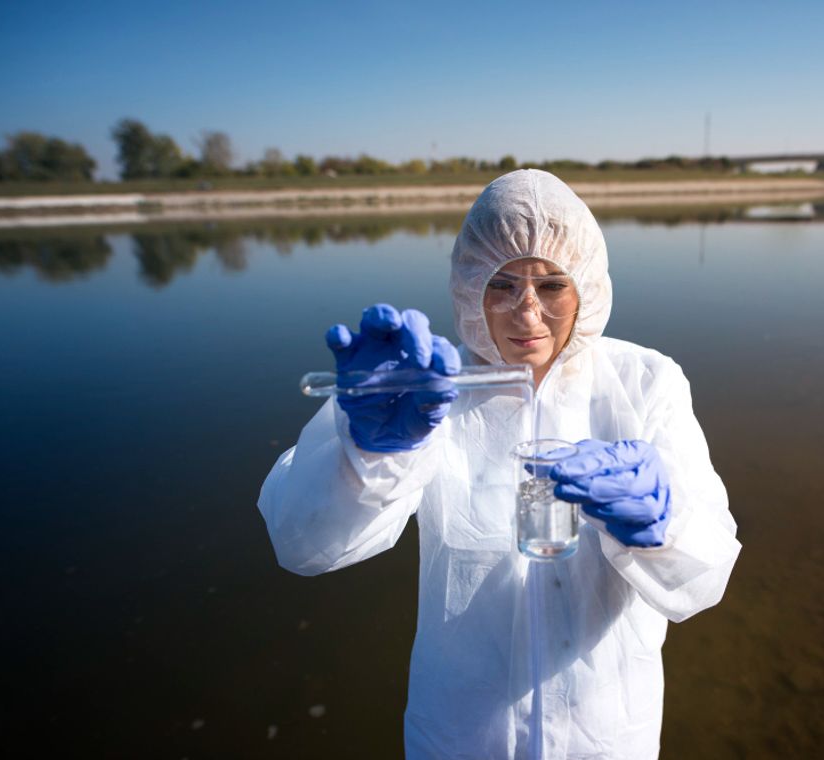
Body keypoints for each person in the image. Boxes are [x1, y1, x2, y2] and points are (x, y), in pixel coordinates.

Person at [258, 169, 740, 759]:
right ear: (469, 286)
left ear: (586, 285)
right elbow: (301, 544)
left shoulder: (644, 384)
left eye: (552, 285)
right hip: (461, 736)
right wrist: (370, 454)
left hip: (605, 735)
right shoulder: (428, 392)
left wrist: (660, 528)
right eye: (503, 285)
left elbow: (705, 580)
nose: (527, 314)